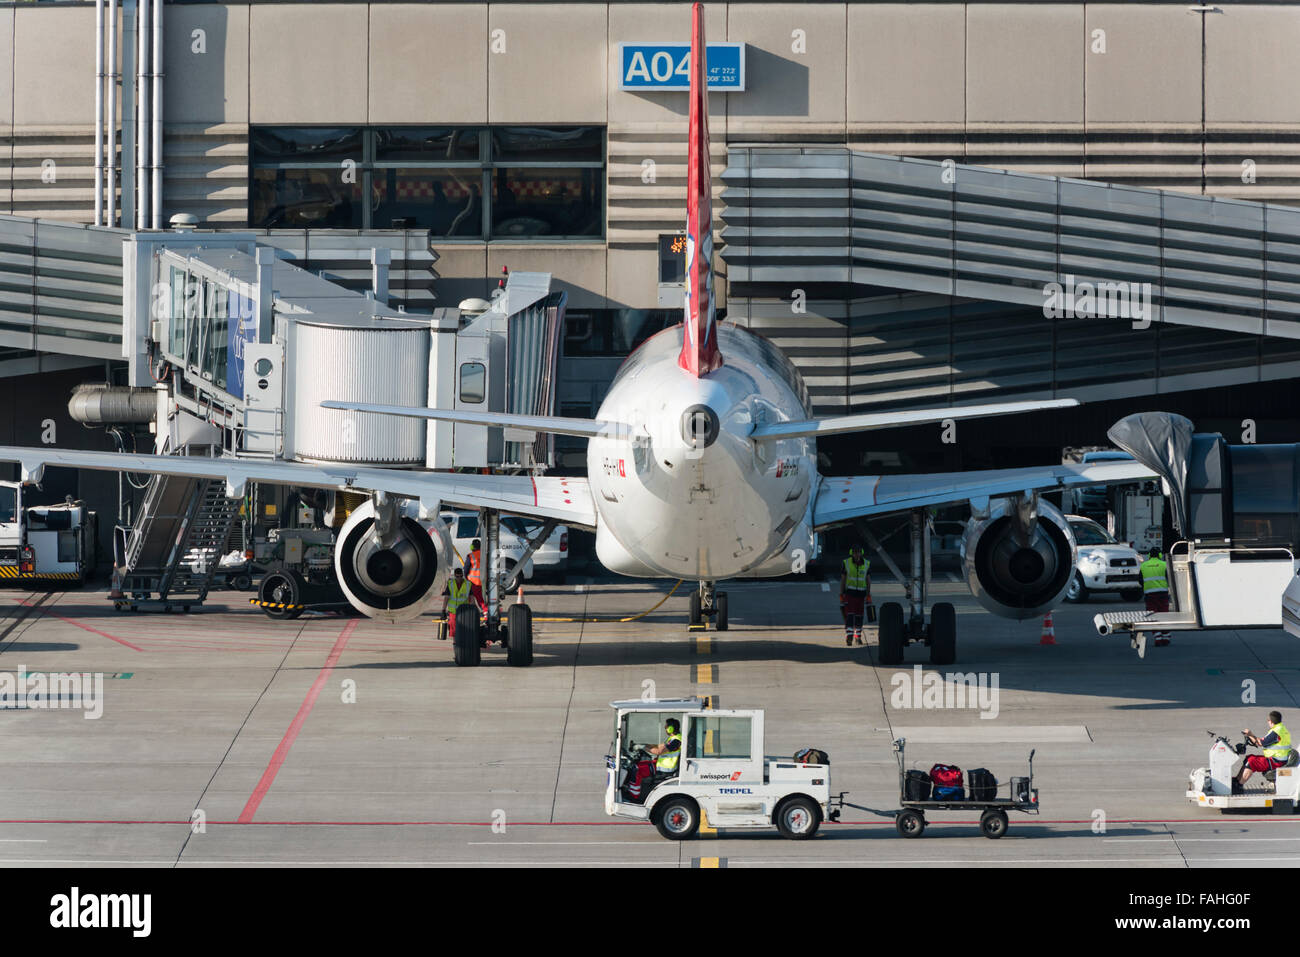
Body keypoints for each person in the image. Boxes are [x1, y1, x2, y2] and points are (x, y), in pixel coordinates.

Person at [625, 718, 683, 803]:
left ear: (671, 728)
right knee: (640, 764)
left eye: (666, 726)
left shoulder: (676, 741)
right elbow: (658, 746)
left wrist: (643, 747)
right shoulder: (673, 738)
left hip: (665, 769)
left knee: (636, 769)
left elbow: (659, 751)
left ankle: (634, 796)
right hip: (660, 765)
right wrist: (642, 744)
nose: (665, 728)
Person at [1233, 711, 1292, 793]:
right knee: (1249, 757)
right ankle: (1237, 780)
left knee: (1252, 762)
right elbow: (1261, 742)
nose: (1267, 722)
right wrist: (1250, 736)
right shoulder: (1280, 728)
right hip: (1277, 759)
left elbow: (1261, 743)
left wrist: (1250, 734)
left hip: (1277, 761)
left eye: (1268, 720)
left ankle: (1238, 786)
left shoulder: (1276, 732)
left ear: (1271, 721)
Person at [840, 545, 871, 646]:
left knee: (859, 616)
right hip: (850, 593)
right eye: (854, 552)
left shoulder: (866, 563)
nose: (856, 554)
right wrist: (841, 593)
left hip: (861, 594)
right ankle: (849, 635)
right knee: (850, 614)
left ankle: (858, 637)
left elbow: (868, 580)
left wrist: (868, 594)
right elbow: (843, 579)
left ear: (861, 553)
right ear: (851, 553)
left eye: (858, 552)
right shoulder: (847, 563)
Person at [1140, 546, 1172, 647]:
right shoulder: (1164, 564)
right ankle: (1166, 637)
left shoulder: (1143, 565)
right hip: (1162, 594)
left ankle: (1157, 638)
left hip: (1150, 595)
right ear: (1159, 555)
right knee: (1164, 615)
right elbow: (1170, 578)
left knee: (1153, 616)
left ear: (1149, 556)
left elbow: (1140, 580)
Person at [440, 567, 473, 638]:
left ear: (462, 575)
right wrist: (443, 610)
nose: (459, 578)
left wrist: (473, 608)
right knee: (453, 628)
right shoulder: (450, 584)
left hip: (464, 611)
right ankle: (455, 642)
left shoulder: (468, 584)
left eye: (461, 576)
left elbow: (471, 597)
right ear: (455, 575)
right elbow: (446, 598)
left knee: (464, 627)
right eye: (457, 576)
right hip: (453, 611)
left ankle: (463, 641)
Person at [463, 539, 485, 612]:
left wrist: (465, 577)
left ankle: (484, 611)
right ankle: (481, 611)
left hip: (473, 582)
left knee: (476, 599)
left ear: (472, 547)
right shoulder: (485, 555)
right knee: (479, 598)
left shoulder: (471, 556)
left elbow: (466, 569)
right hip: (483, 581)